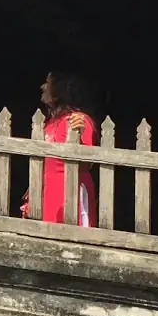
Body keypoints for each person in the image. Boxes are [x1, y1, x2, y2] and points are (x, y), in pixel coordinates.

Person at [19, 71, 98, 227]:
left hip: (68, 196)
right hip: (46, 194)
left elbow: (85, 165)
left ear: (59, 90)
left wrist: (81, 131)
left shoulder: (78, 121)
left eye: (47, 83)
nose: (42, 87)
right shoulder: (49, 123)